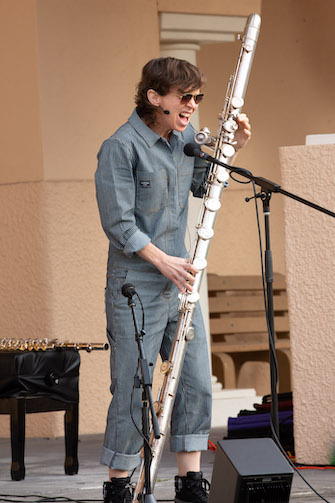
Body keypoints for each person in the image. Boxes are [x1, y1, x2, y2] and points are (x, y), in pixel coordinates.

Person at [95, 57, 251, 503]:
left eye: (198, 98)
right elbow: (120, 224)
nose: (192, 106)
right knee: (133, 384)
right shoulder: (120, 147)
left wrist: (233, 147)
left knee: (195, 381)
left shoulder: (182, 141)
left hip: (178, 280)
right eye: (185, 97)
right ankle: (119, 485)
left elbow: (205, 183)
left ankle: (189, 484)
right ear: (154, 97)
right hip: (137, 283)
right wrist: (164, 261)